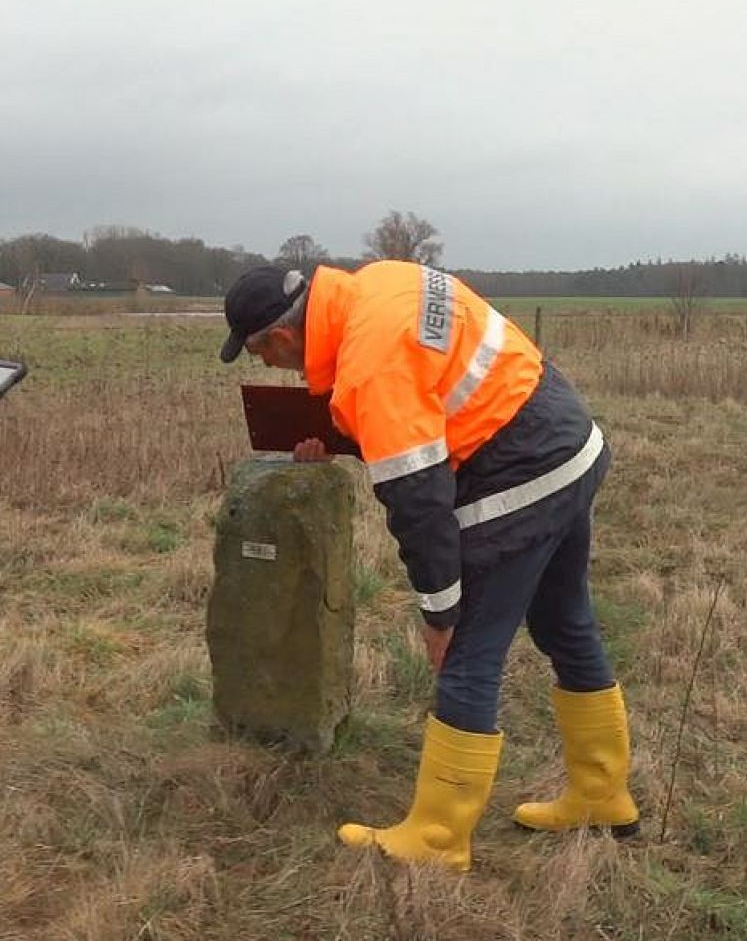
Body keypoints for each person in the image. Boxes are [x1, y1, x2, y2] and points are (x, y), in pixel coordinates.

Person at [218, 261, 637, 871]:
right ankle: (603, 794)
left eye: (264, 359)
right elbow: (428, 392)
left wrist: (440, 612)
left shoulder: (371, 368)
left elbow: (420, 501)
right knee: (566, 623)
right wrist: (348, 431)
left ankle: (438, 839)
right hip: (569, 442)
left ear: (278, 339)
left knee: (468, 653)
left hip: (518, 474)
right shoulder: (382, 281)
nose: (276, 370)